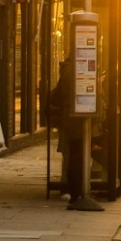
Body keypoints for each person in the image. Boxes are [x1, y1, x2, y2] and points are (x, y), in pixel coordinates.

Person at [48, 58, 84, 202]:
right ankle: (74, 192)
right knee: (74, 156)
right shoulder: (74, 73)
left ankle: (72, 189)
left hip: (68, 120)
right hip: (74, 120)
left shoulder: (68, 73)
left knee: (70, 156)